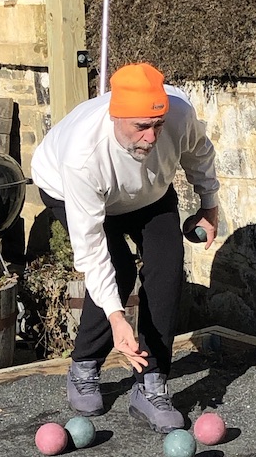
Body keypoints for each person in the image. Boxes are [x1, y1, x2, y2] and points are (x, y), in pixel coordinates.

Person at [30, 61, 220, 433]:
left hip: (149, 192)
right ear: (115, 117)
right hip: (71, 190)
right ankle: (84, 365)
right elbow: (91, 252)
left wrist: (208, 206)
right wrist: (118, 320)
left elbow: (199, 153)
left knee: (167, 269)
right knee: (117, 268)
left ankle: (151, 386)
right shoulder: (83, 156)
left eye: (157, 126)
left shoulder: (178, 113)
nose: (151, 137)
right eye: (141, 127)